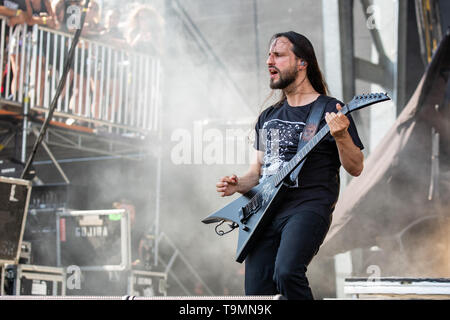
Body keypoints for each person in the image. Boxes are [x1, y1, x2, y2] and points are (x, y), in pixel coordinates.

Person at [215, 31, 364, 300]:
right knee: (257, 295)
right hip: (265, 212)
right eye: (268, 56)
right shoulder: (268, 116)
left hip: (307, 207)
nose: (270, 61)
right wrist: (238, 184)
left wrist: (341, 135)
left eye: (279, 55)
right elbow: (257, 173)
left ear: (302, 63)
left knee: (286, 271)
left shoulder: (330, 110)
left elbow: (355, 167)